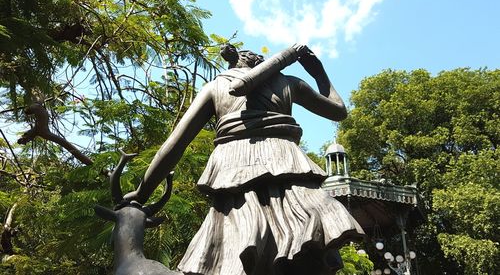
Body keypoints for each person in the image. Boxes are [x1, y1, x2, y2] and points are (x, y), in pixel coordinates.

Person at [125, 44, 364, 275]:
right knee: (309, 248)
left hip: (235, 174)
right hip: (289, 170)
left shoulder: (215, 87)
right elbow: (338, 110)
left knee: (236, 252)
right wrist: (319, 73)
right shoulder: (288, 83)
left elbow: (175, 144)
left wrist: (141, 193)